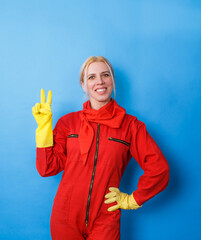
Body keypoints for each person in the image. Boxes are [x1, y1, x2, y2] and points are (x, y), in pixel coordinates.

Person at [32, 56, 169, 240]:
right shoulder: (68, 122)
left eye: (105, 75)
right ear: (83, 85)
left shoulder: (131, 126)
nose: (100, 81)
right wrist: (43, 129)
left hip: (106, 219)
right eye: (91, 77)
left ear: (112, 80)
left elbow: (159, 169)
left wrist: (133, 199)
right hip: (64, 218)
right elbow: (47, 167)